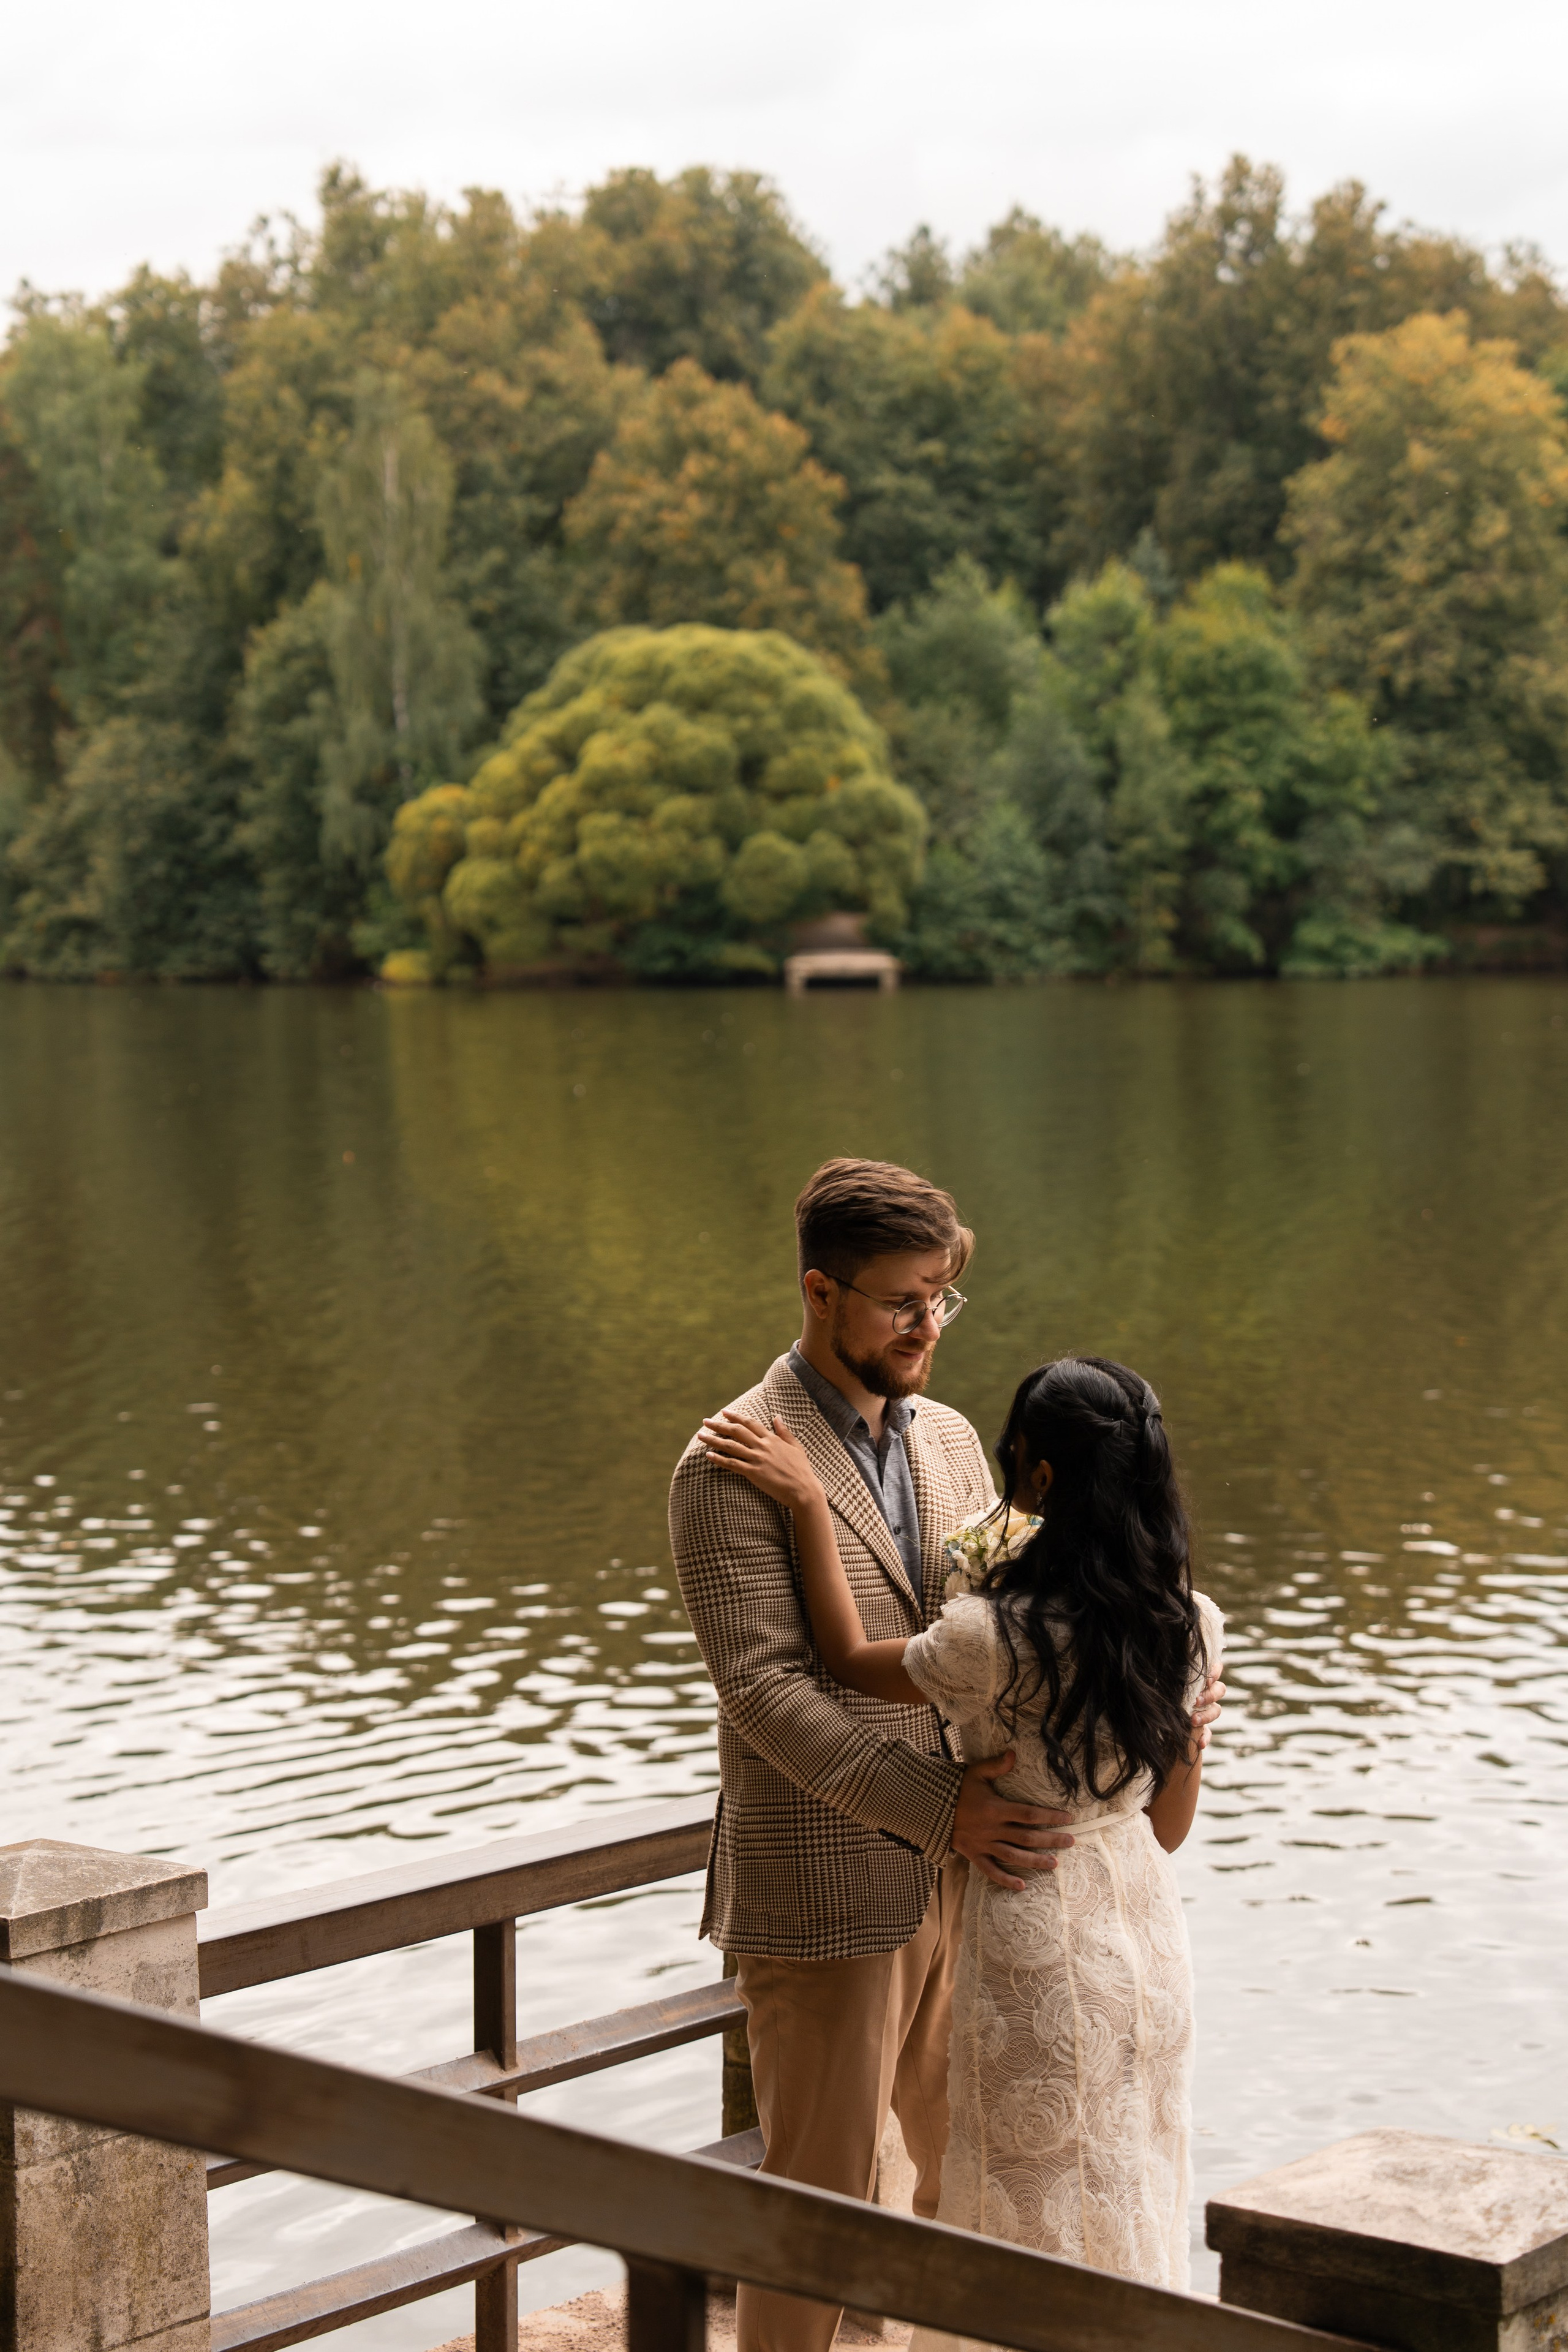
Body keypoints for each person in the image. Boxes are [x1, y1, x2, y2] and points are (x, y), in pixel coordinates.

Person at [671, 1159, 1222, 2352]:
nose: (928, 1326)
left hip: (986, 1892)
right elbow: (766, 1690)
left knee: (958, 2192)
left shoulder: (958, 1442)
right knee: (820, 2209)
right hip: (832, 1883)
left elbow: (1013, 1599)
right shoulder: (731, 1462)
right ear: (820, 1293)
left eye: (942, 1300)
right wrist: (941, 1810)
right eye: (901, 1302)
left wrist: (1159, 1681)